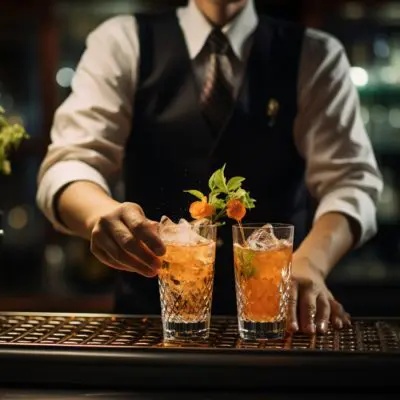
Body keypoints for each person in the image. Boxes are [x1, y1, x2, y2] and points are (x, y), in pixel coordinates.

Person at [37, 0, 383, 335]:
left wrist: (310, 262)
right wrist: (101, 213)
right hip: (150, 330)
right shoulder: (122, 41)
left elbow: (351, 182)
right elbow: (69, 163)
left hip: (279, 326)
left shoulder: (314, 54)